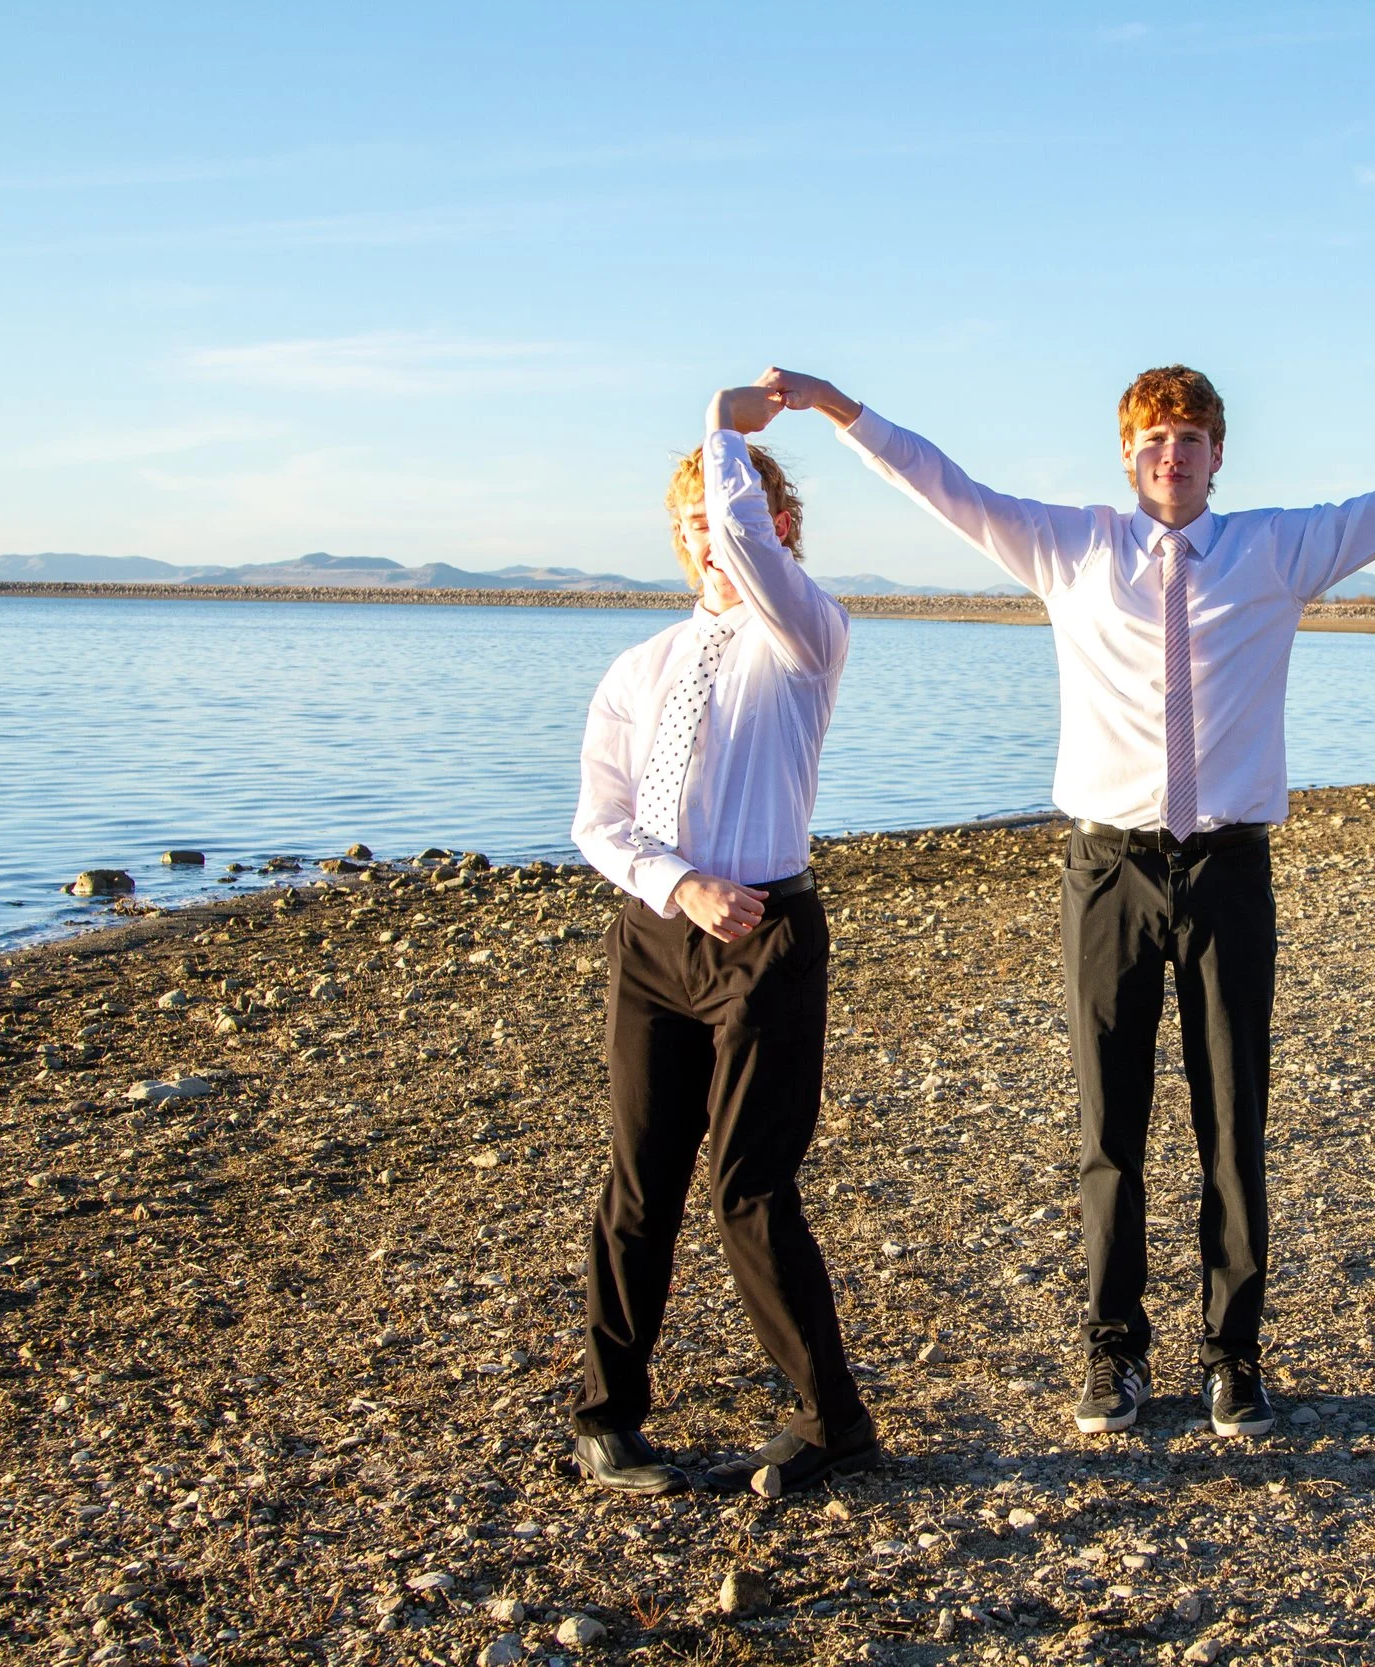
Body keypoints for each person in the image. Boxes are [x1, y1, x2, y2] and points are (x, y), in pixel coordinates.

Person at [761, 356, 1375, 1438]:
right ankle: (1113, 1352)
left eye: (1190, 437)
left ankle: (1233, 1353)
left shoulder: (1274, 550)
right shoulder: (1071, 547)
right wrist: (837, 407)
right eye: (1153, 438)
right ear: (1129, 453)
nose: (1171, 454)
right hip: (1105, 868)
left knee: (1230, 1119)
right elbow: (944, 483)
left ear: (1217, 453)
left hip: (1226, 869)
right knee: (1108, 1124)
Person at [566, 379, 874, 1500]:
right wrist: (678, 882)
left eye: (729, 515)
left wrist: (723, 426)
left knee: (750, 1184)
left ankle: (835, 1420)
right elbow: (597, 822)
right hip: (658, 938)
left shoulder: (805, 630)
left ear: (779, 528)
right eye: (691, 520)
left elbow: (743, 526)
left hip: (771, 937)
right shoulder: (635, 667)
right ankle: (605, 1416)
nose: (711, 535)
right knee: (639, 1179)